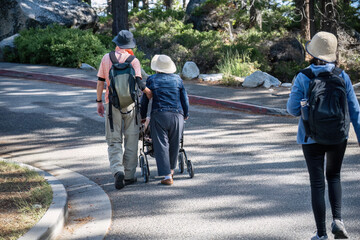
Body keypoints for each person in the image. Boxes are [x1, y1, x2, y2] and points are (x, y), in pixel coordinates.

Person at [287, 31, 360, 240]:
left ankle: (321, 234)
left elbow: (292, 110)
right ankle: (338, 220)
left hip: (311, 138)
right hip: (339, 135)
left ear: (313, 53)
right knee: (334, 176)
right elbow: (355, 111)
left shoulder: (303, 77)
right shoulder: (342, 76)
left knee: (317, 183)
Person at [96, 30, 152, 190]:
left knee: (113, 140)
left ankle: (117, 170)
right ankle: (128, 175)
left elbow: (100, 82)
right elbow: (140, 84)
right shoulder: (134, 61)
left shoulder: (107, 58)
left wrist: (99, 101)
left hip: (112, 104)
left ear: (116, 43)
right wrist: (149, 93)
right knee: (132, 139)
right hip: (131, 105)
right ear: (129, 45)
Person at [140, 54, 189, 185]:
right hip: (177, 115)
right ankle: (172, 170)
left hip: (159, 115)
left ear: (157, 68)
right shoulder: (178, 79)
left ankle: (167, 176)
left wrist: (143, 116)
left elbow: (144, 101)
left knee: (161, 144)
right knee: (175, 143)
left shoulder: (151, 79)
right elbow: (184, 98)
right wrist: (186, 113)